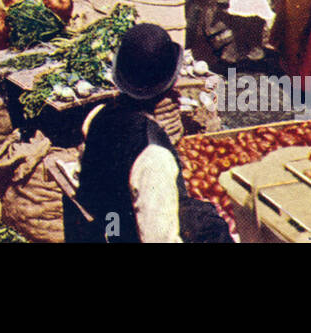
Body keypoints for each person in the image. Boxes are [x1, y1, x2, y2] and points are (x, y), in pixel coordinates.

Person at [65, 23, 234, 243]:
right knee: (212, 225)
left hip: (107, 222)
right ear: (170, 84)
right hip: (121, 235)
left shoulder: (99, 116)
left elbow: (90, 178)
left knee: (200, 214)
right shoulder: (153, 154)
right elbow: (158, 238)